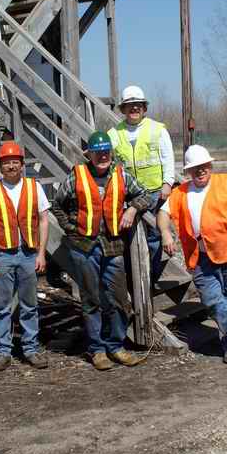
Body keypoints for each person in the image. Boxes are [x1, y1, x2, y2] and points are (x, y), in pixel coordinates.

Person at [51, 131, 154, 371]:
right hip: (84, 247)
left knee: (119, 299)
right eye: (98, 153)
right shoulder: (76, 175)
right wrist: (69, 227)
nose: (103, 156)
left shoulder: (121, 175)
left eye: (106, 152)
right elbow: (57, 205)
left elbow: (145, 194)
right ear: (90, 154)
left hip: (113, 246)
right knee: (91, 299)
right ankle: (97, 350)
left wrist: (132, 210)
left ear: (111, 152)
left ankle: (116, 346)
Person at [157, 145, 227, 364]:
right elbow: (162, 213)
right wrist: (166, 233)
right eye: (195, 168)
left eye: (203, 166)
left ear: (210, 166)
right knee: (213, 300)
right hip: (200, 257)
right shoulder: (180, 192)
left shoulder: (226, 185)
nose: (200, 171)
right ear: (188, 171)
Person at [0, 141, 51, 371]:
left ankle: (30, 349)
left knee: (30, 305)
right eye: (6, 163)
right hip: (2, 255)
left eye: (15, 162)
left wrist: (41, 253)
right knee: (2, 306)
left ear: (22, 165)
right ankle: (3, 352)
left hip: (28, 254)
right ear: (0, 166)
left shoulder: (34, 187)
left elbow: (44, 219)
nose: (11, 167)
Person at [107, 85, 175, 286]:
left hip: (154, 193)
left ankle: (150, 278)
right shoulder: (114, 133)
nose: (134, 109)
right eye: (129, 106)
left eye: (137, 105)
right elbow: (103, 155)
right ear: (123, 109)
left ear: (144, 107)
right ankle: (131, 281)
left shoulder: (157, 130)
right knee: (128, 239)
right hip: (127, 195)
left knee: (154, 238)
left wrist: (167, 183)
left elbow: (167, 158)